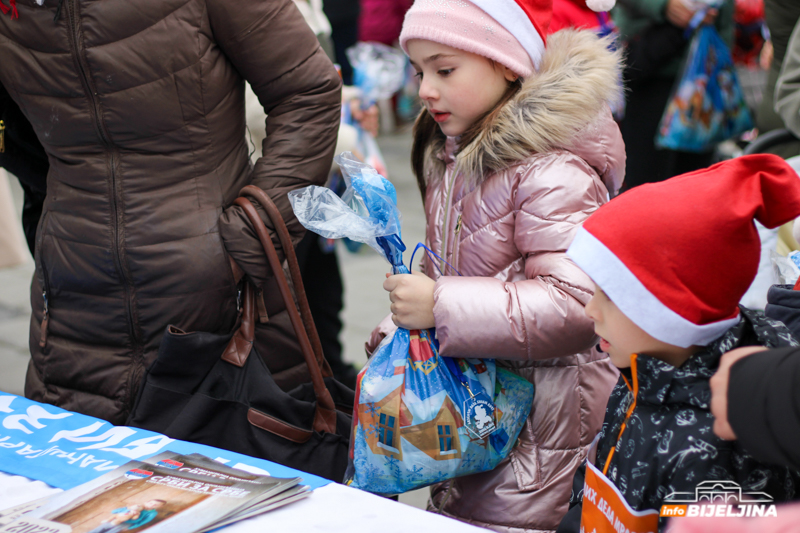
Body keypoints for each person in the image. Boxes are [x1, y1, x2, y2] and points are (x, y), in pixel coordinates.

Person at [0, 0, 341, 424]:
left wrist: (244, 241)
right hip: (76, 307)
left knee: (231, 478)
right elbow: (13, 136)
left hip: (218, 299)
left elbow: (307, 90)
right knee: (83, 483)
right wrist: (60, 218)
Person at [366, 0, 625, 530]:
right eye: (419, 72)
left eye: (444, 69)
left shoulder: (553, 172)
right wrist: (403, 331)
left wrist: (439, 306)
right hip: (484, 419)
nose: (423, 90)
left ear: (506, 63)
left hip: (543, 435)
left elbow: (578, 306)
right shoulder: (456, 153)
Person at [558, 154, 800, 532]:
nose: (590, 309)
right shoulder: (642, 369)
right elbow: (595, 482)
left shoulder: (720, 451)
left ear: (672, 312)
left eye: (611, 295)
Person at [614, 0, 734, 190]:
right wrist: (663, 6)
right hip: (653, 68)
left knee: (696, 184)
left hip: (703, 73)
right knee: (648, 186)